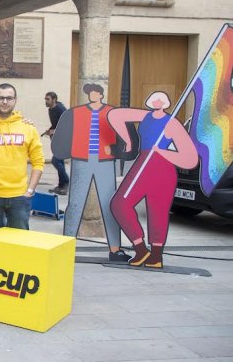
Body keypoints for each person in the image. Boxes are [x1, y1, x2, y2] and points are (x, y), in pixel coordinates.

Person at [108, 91, 198, 268]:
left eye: (161, 98)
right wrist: (128, 140)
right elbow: (115, 115)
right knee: (119, 203)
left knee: (158, 212)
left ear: (166, 103)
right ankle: (141, 249)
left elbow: (191, 158)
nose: (156, 100)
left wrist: (163, 151)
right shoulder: (145, 116)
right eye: (154, 96)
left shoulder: (172, 124)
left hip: (163, 168)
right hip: (143, 163)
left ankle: (156, 256)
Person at [51, 83, 131, 262]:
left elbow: (126, 136)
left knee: (109, 205)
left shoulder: (112, 112)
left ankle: (115, 249)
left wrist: (116, 151)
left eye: (95, 92)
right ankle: (66, 246)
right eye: (90, 93)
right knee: (75, 204)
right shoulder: (75, 113)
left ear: (101, 94)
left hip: (105, 161)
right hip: (82, 160)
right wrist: (66, 152)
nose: (92, 95)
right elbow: (62, 137)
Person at [0, 83, 44, 232]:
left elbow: (38, 162)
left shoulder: (28, 127)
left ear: (15, 100)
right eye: (1, 98)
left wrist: (30, 190)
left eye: (9, 98)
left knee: (18, 243)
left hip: (20, 196)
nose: (5, 102)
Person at [44, 91, 69, 195]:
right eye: (45, 99)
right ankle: (61, 186)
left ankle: (66, 182)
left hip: (64, 138)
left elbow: (67, 123)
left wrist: (54, 131)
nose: (46, 101)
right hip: (57, 139)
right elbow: (55, 124)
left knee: (55, 161)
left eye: (48, 99)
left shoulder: (60, 108)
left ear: (54, 99)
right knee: (60, 162)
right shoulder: (51, 109)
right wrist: (49, 130)